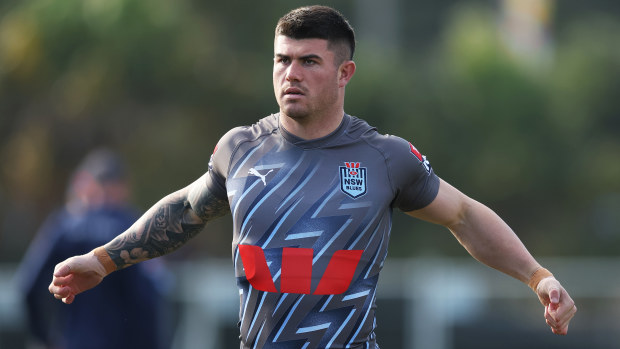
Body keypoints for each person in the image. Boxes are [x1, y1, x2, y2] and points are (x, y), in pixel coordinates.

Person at [48, 6, 576, 349]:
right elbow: (185, 211)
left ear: (345, 73)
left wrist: (538, 276)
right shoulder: (239, 149)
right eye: (281, 61)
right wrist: (101, 260)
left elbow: (463, 214)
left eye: (308, 61)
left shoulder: (384, 158)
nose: (290, 74)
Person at [19, 148, 172, 349]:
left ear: (90, 184)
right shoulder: (135, 228)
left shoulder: (64, 226)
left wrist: (43, 338)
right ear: (124, 187)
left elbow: (27, 288)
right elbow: (150, 298)